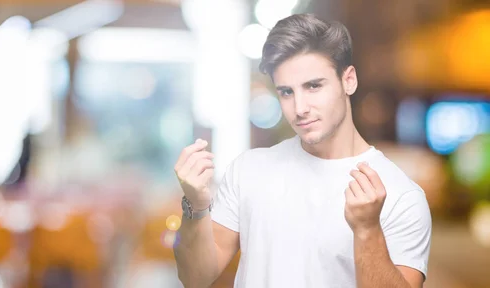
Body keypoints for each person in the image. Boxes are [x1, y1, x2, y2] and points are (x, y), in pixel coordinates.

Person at [173, 13, 431, 288]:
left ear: (349, 80)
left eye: (313, 86)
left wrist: (367, 230)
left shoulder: (401, 195)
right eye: (287, 92)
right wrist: (196, 206)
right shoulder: (248, 170)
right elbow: (194, 277)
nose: (300, 108)